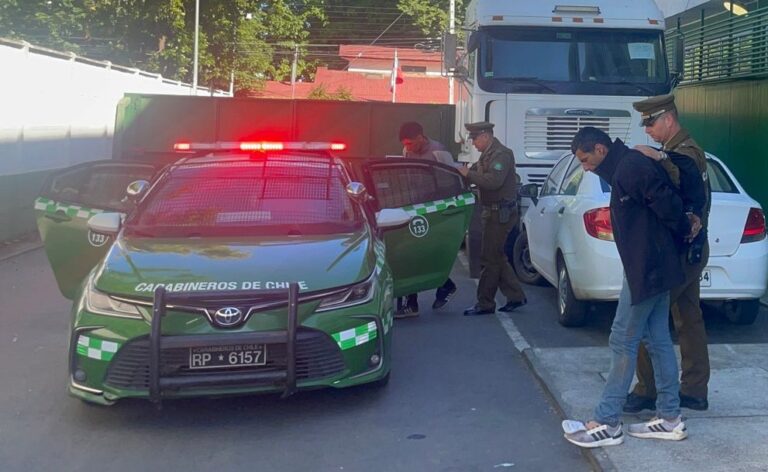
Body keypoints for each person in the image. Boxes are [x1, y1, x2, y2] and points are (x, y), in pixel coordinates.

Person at [562, 126, 696, 448]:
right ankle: (670, 417)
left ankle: (607, 422)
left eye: (586, 159)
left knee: (622, 338)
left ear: (600, 149)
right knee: (657, 339)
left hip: (648, 268)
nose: (585, 167)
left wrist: (685, 225)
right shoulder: (623, 166)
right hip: (652, 266)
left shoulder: (630, 167)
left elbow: (667, 204)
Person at [624, 94, 712, 413]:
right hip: (690, 252)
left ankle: (646, 389)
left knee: (648, 313)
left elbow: (683, 171)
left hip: (680, 254)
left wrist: (659, 157)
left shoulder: (684, 154)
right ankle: (695, 389)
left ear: (668, 120)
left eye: (651, 123)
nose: (647, 129)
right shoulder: (679, 150)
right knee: (689, 319)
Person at [457, 122, 526, 316]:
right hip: (492, 212)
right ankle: (515, 296)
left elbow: (494, 181)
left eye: (475, 139)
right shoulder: (488, 154)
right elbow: (481, 173)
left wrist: (468, 174)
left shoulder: (501, 155)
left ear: (486, 136)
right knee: (496, 257)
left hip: (500, 214)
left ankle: (485, 303)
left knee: (489, 259)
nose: (473, 144)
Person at [394, 122, 458, 318]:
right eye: (406, 144)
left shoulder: (439, 151)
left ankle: (443, 287)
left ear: (421, 137)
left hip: (435, 208)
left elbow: (452, 179)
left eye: (411, 143)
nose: (409, 147)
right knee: (413, 252)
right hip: (415, 207)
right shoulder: (406, 151)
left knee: (425, 252)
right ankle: (415, 301)